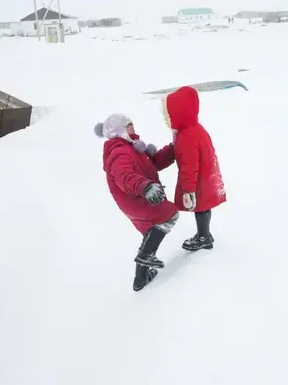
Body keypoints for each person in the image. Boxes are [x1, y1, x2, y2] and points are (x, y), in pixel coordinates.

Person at [94, 113, 180, 291]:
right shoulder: (119, 151)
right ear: (119, 130)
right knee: (170, 214)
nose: (133, 127)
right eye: (128, 125)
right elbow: (124, 177)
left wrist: (173, 150)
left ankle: (140, 278)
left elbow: (153, 163)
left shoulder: (132, 147)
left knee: (150, 233)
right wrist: (145, 187)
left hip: (137, 198)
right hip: (136, 199)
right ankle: (145, 256)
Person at [161, 86, 226, 251]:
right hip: (206, 176)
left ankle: (204, 237)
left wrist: (188, 192)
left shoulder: (186, 137)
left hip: (198, 181)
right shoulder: (195, 129)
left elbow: (189, 166)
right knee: (204, 207)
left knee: (201, 207)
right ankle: (205, 234)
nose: (167, 120)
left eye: (168, 115)